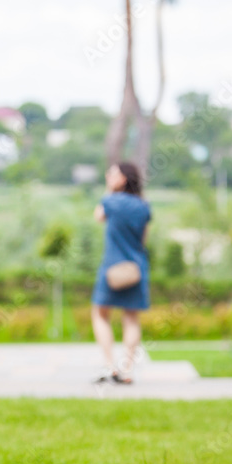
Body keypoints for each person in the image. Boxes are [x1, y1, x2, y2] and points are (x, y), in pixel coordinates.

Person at [90, 161, 151, 384]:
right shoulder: (144, 205)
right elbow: (144, 239)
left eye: (112, 173)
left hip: (112, 267)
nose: (108, 175)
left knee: (100, 314)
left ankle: (109, 366)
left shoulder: (110, 201)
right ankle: (127, 369)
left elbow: (98, 216)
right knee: (131, 318)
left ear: (122, 178)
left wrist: (109, 190)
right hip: (136, 268)